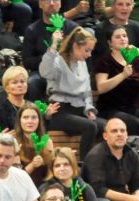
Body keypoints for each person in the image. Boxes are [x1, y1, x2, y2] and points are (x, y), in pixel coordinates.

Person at [41, 26, 104, 158]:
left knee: (105, 126)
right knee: (90, 127)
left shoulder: (82, 63)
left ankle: (100, 161)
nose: (89, 55)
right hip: (60, 111)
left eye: (91, 51)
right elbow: (45, 72)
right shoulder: (58, 60)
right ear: (75, 46)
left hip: (79, 110)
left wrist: (89, 109)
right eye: (87, 50)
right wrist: (53, 47)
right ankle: (85, 164)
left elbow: (86, 91)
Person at [93, 25, 139, 136]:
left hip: (134, 108)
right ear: (110, 43)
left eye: (124, 36)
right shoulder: (105, 61)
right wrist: (123, 75)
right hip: (111, 110)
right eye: (118, 37)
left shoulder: (136, 60)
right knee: (135, 123)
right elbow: (101, 87)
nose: (122, 39)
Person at [22, 0, 79, 101]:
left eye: (55, 0)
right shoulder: (32, 30)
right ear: (40, 4)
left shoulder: (72, 28)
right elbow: (27, 62)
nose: (52, 3)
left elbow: (79, 56)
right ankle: (36, 110)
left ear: (60, 3)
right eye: (48, 0)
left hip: (67, 71)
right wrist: (49, 57)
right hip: (41, 73)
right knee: (32, 83)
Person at [12, 102, 55, 188]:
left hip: (43, 187)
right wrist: (32, 166)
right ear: (19, 120)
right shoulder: (13, 141)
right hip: (20, 186)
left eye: (34, 117)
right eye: (25, 117)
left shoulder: (47, 141)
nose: (30, 121)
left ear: (39, 120)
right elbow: (13, 177)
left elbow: (51, 172)